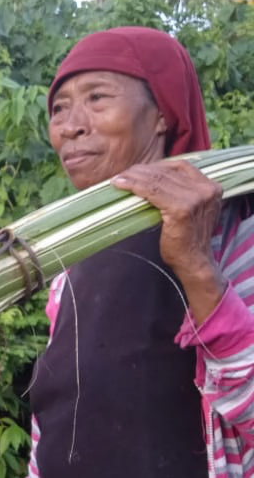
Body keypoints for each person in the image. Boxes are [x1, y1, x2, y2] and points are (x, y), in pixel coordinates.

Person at [27, 26, 254, 477]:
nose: (71, 126)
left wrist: (196, 266)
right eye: (59, 108)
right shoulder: (71, 266)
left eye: (97, 98)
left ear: (161, 114)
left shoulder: (234, 236)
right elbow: (55, 420)